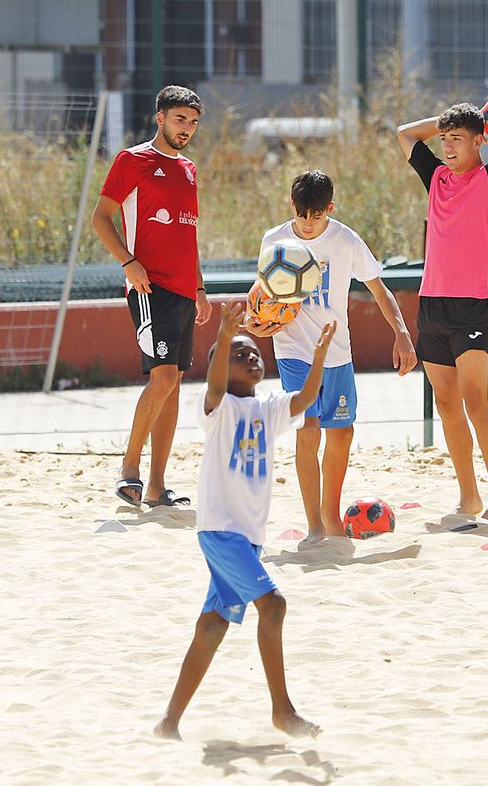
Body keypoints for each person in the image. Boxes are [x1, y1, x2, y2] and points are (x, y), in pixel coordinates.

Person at [153, 304, 334, 741]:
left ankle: (168, 724)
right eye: (239, 352)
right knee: (274, 606)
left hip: (248, 538)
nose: (251, 356)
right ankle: (282, 712)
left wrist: (320, 357)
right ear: (219, 361)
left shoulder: (268, 408)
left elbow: (306, 400)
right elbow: (215, 382)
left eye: (254, 352)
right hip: (220, 531)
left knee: (212, 626)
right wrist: (224, 331)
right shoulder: (217, 407)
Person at [247, 170, 417, 544]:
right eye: (302, 215)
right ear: (292, 206)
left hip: (337, 352)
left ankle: (330, 515)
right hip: (293, 352)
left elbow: (378, 286)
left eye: (317, 216)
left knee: (341, 433)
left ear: (330, 208)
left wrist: (401, 332)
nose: (308, 224)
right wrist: (254, 322)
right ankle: (314, 527)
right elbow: (260, 295)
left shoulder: (345, 239)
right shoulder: (274, 240)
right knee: (308, 431)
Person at [395, 101, 488, 520]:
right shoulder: (436, 175)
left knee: (476, 403)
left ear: (479, 141)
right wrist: (443, 122)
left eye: (458, 139)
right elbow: (404, 132)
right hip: (432, 305)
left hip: (472, 307)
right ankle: (469, 496)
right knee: (448, 406)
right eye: (445, 140)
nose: (449, 147)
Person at [93, 85, 210, 508]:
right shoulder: (133, 160)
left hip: (183, 290)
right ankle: (129, 469)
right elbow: (100, 217)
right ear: (159, 117)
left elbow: (188, 233)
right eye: (180, 119)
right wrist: (128, 262)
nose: (187, 129)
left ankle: (158, 487)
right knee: (161, 378)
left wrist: (199, 287)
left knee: (174, 386)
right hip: (149, 287)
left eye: (194, 123)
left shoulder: (190, 169)